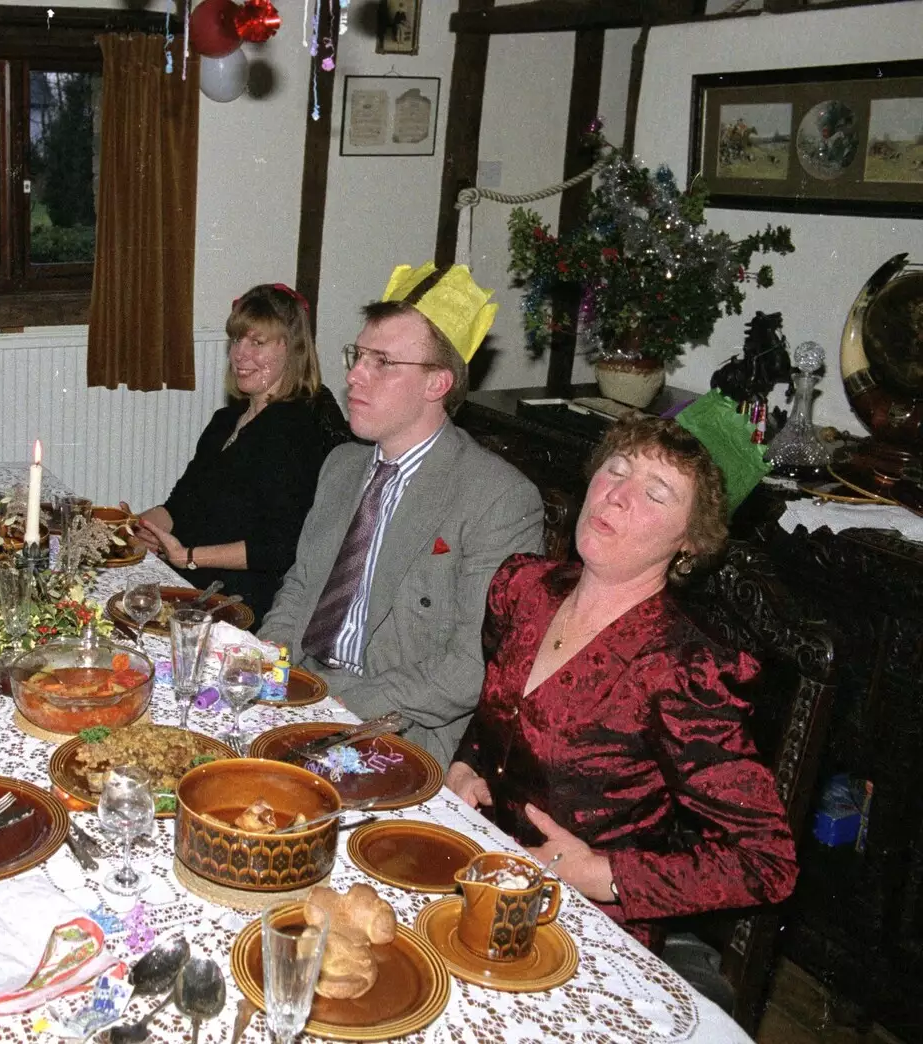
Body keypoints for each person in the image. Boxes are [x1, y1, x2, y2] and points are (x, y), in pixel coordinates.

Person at [445, 393, 796, 947]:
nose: (617, 496)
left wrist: (604, 875)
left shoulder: (681, 669)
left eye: (655, 494)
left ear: (690, 542)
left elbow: (765, 862)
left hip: (580, 928)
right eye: (616, 469)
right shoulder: (524, 588)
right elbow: (499, 710)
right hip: (476, 873)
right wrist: (466, 765)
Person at [259, 262, 543, 766]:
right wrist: (264, 664)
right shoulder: (343, 465)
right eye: (358, 355)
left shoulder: (497, 499)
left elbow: (469, 668)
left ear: (437, 383)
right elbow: (302, 585)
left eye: (382, 362)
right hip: (301, 689)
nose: (353, 375)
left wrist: (339, 707)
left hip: (394, 727)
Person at [131, 283, 348, 623]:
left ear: (292, 349)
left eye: (257, 343)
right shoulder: (226, 420)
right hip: (197, 577)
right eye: (236, 340)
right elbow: (181, 505)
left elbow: (281, 546)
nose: (240, 354)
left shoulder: (295, 429)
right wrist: (132, 529)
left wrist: (188, 555)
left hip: (246, 596)